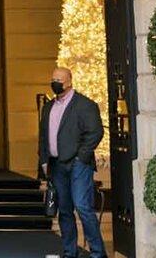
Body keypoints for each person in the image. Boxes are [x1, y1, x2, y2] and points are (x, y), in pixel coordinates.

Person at [38, 65, 107, 258]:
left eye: (59, 80)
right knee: (65, 210)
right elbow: (43, 136)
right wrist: (44, 160)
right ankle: (70, 251)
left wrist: (81, 157)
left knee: (83, 207)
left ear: (69, 82)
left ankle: (98, 253)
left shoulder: (85, 105)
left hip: (78, 164)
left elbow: (95, 132)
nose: (55, 83)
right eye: (53, 79)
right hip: (56, 164)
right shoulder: (49, 107)